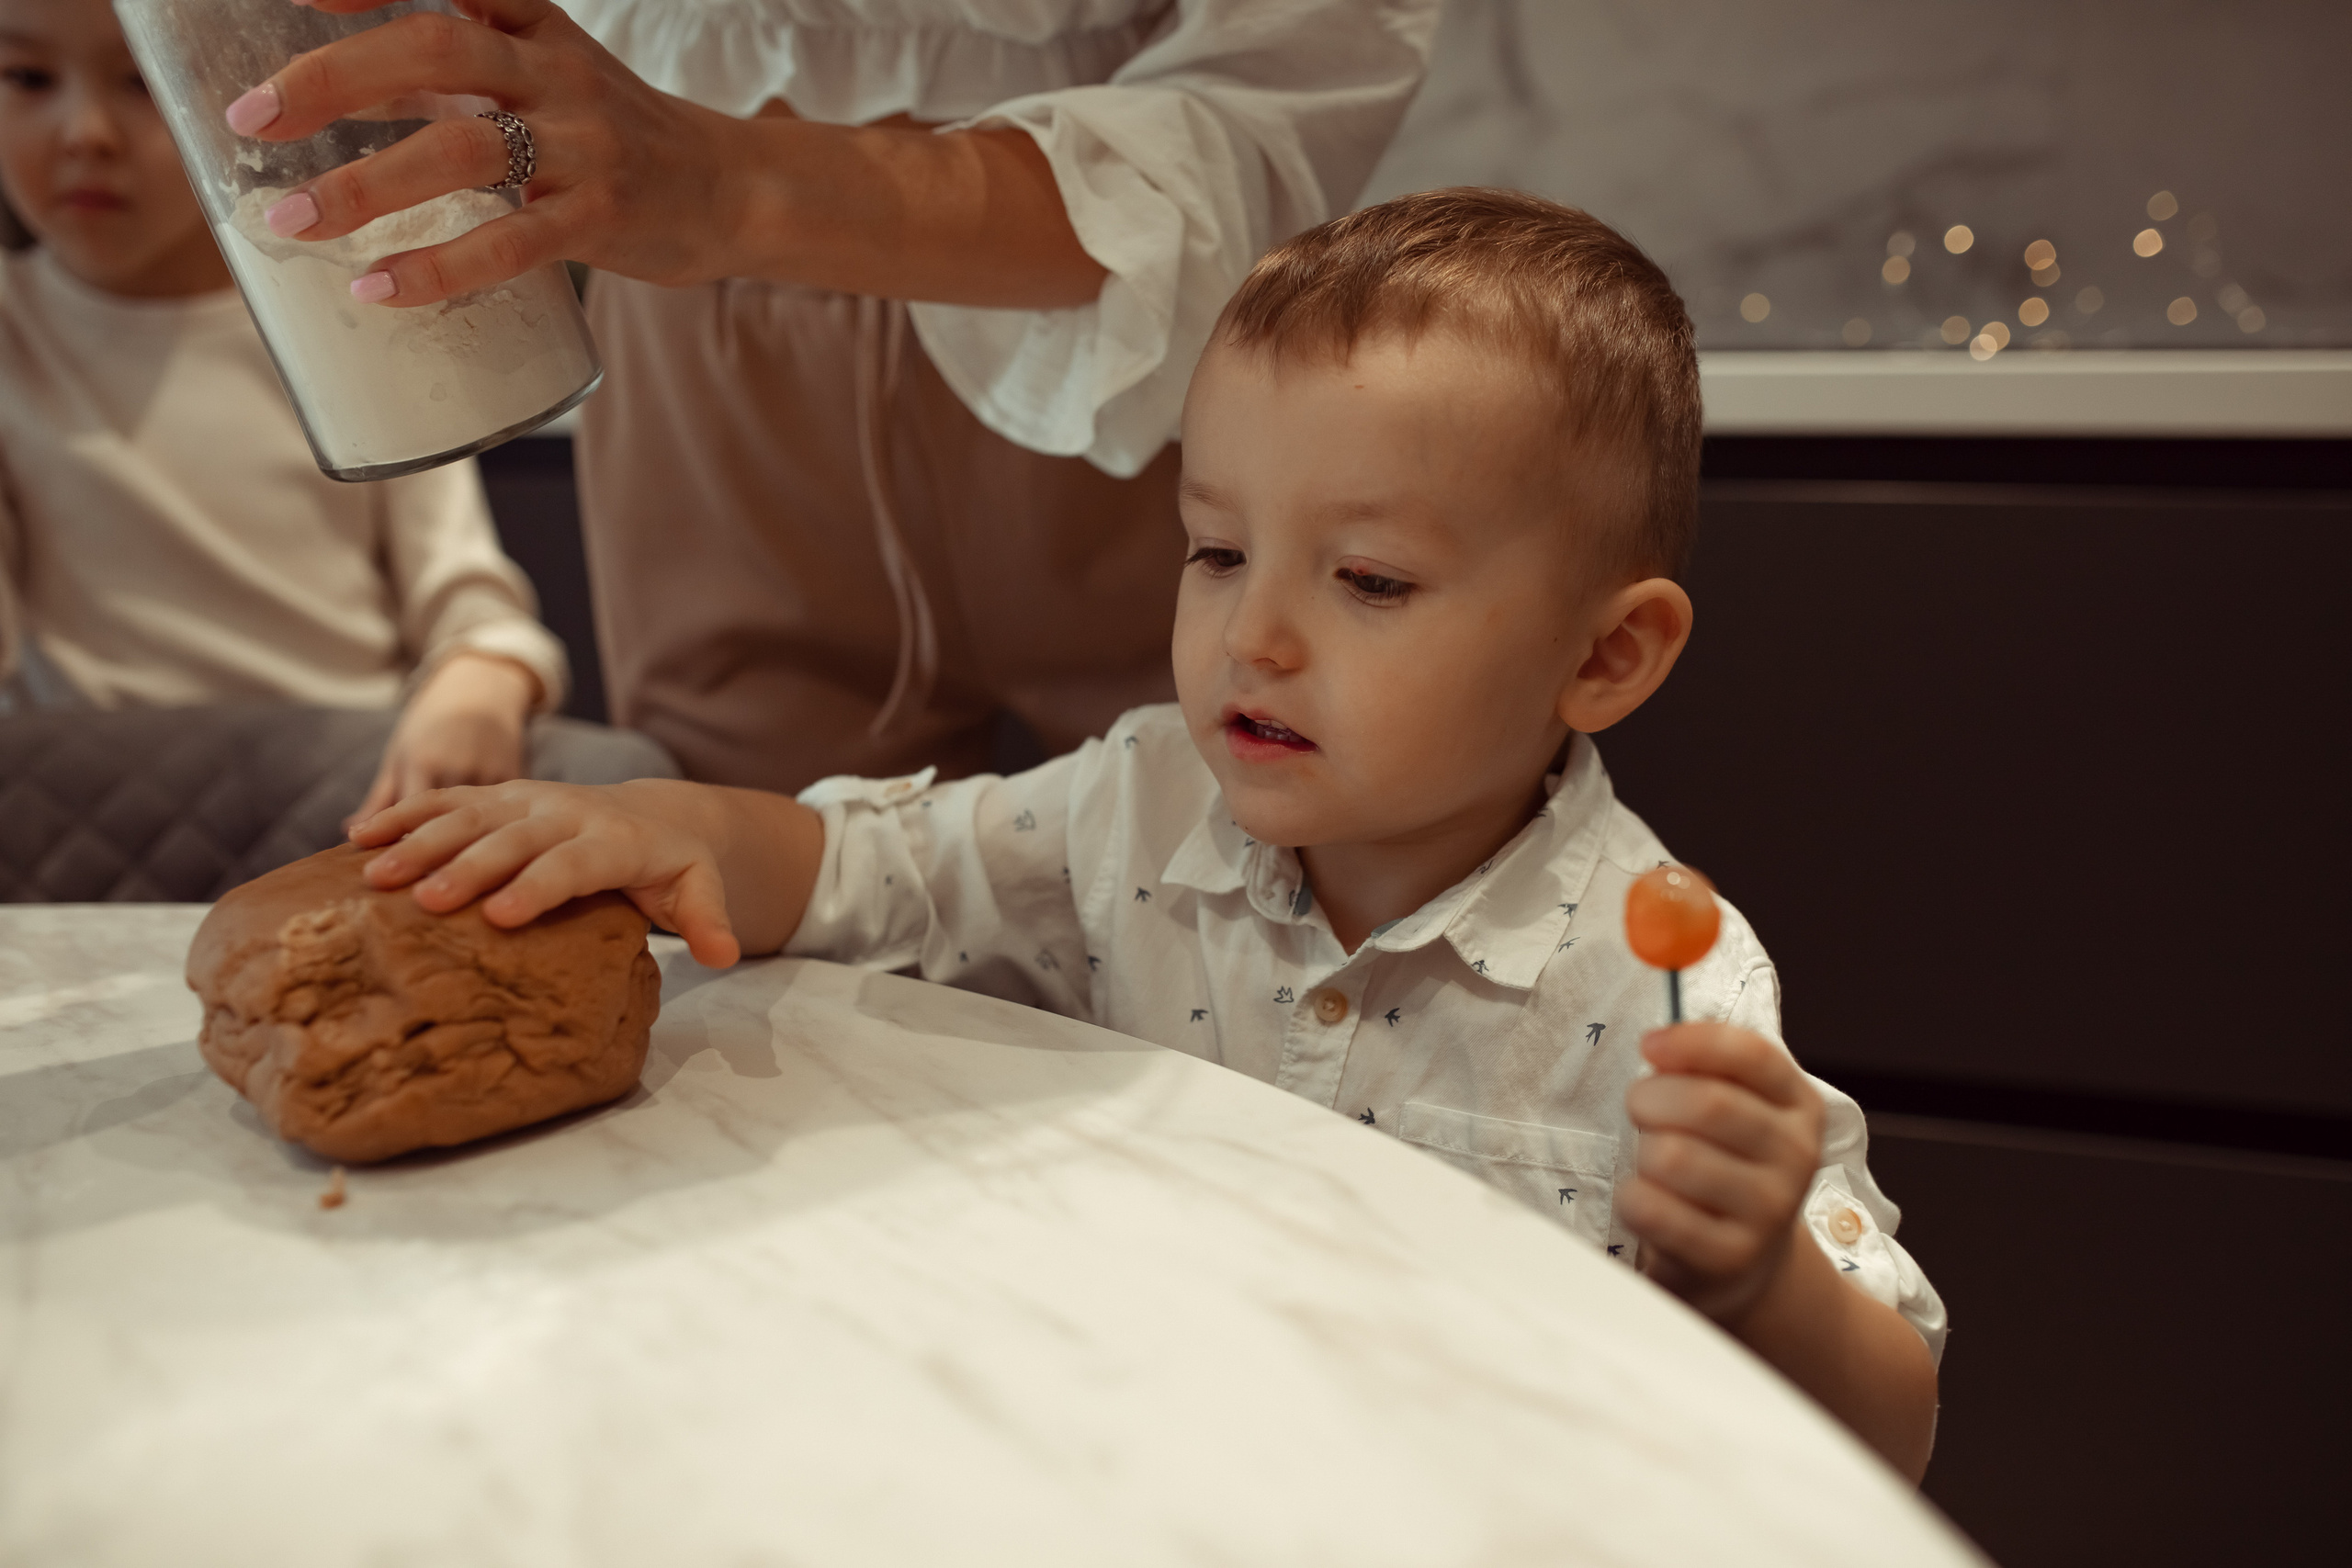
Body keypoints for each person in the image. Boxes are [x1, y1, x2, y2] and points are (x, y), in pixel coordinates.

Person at [351, 190, 1946, 1479]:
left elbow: (1894, 1423)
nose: (1253, 636)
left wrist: (1754, 1281)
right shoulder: (1136, 806)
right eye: (1215, 550)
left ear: (1605, 656)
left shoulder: (1664, 982)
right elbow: (874, 869)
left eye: (1369, 581)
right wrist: (671, 824)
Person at [223, 0, 1444, 790]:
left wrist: (725, 185)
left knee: (1247, 969)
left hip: (1142, 362)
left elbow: (1278, 81)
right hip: (694, 343)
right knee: (764, 1007)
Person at [0, 0, 671, 823]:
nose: (86, 133)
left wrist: (482, 681)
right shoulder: (14, 337)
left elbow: (469, 607)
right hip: (103, 816)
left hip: (353, 795)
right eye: (27, 77)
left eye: (142, 82)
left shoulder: (362, 295)